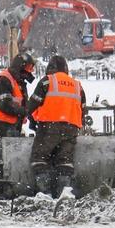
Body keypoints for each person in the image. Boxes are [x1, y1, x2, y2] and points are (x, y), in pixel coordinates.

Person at [26, 55, 85, 198]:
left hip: (49, 127)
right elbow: (83, 110)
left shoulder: (47, 81)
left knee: (39, 158)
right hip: (72, 128)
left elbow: (32, 105)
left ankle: (45, 194)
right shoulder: (77, 86)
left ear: (50, 68)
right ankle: (64, 194)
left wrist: (32, 121)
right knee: (65, 161)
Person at [0, 53, 35, 198]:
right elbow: (4, 104)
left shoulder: (18, 81)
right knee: (0, 161)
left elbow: (21, 103)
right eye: (29, 68)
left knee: (8, 159)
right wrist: (24, 111)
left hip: (11, 125)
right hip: (0, 125)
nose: (30, 72)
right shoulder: (4, 79)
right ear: (21, 67)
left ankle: (5, 190)